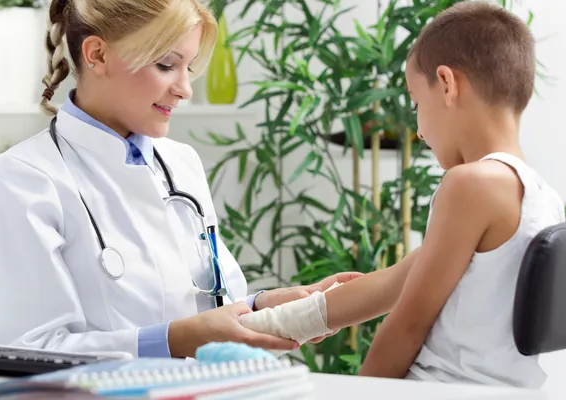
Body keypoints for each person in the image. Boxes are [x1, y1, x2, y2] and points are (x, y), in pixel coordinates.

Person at [0, 0, 359, 359]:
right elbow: (32, 353)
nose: (185, 89)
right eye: (166, 65)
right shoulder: (18, 181)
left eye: (188, 68)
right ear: (98, 55)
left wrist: (263, 306)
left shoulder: (180, 162)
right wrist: (176, 340)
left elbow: (216, 305)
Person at [237, 1, 565, 389]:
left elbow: (408, 323)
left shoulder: (470, 184)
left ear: (446, 83)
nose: (419, 131)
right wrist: (252, 326)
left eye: (414, 102)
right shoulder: (541, 196)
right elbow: (393, 284)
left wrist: (365, 394)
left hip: (439, 388)